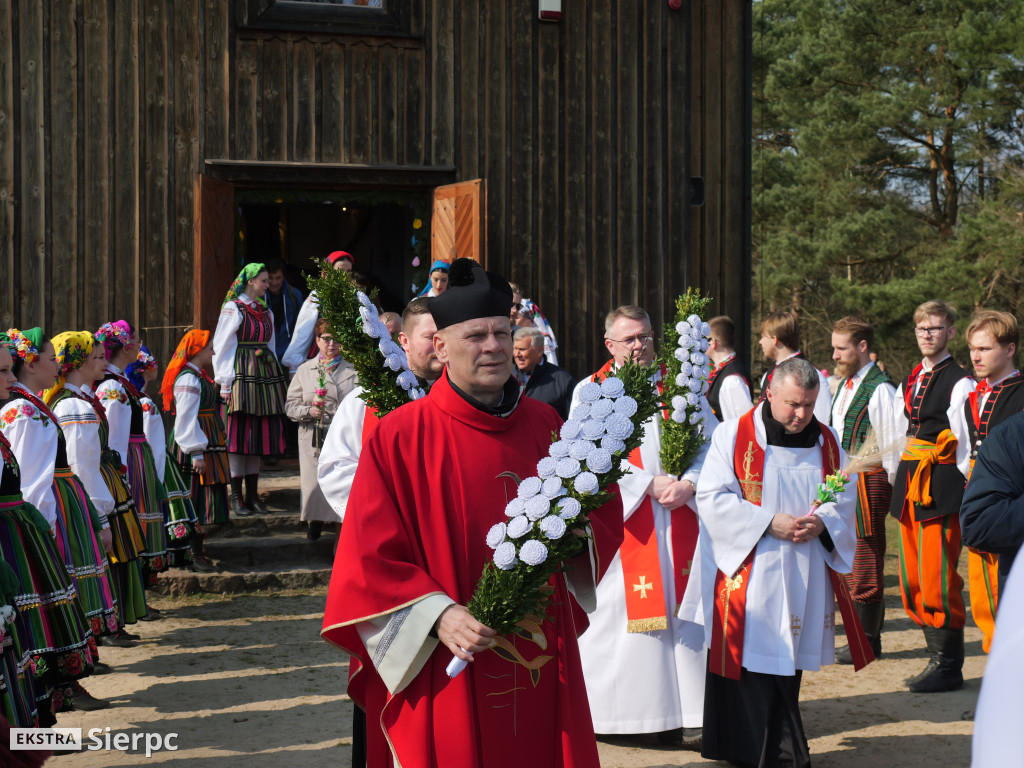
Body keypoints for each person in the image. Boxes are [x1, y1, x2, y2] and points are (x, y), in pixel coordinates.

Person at [321, 258, 623, 768]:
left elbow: (601, 504)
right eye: (476, 336)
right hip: (446, 654)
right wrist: (437, 614)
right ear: (440, 347)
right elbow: (367, 558)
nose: (494, 347)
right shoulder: (401, 436)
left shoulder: (547, 425)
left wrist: (579, 533)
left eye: (502, 333)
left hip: (539, 653)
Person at [694, 357, 858, 768]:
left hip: (804, 568)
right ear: (769, 393)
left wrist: (823, 521)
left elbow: (845, 495)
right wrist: (768, 522)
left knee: (787, 659)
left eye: (809, 404)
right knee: (752, 657)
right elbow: (712, 497)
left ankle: (761, 749)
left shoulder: (827, 441)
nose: (802, 414)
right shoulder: (735, 435)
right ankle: (778, 752)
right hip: (751, 567)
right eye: (792, 404)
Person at [571, 305, 713, 747]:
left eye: (646, 336)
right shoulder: (591, 391)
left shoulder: (683, 384)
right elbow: (586, 454)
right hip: (626, 521)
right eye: (630, 338)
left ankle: (690, 713)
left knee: (683, 613)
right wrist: (646, 483)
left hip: (681, 515)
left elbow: (712, 442)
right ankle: (626, 716)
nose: (640, 345)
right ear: (609, 344)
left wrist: (691, 482)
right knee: (623, 616)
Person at [317, 296, 441, 767]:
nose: (440, 346)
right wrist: (392, 514)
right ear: (403, 341)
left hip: (447, 561)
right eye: (430, 337)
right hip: (388, 561)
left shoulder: (465, 397)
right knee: (389, 676)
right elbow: (336, 470)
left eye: (445, 336)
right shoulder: (365, 398)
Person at [0, 328, 109, 713]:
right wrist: (42, 527)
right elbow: (31, 480)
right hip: (21, 526)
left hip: (26, 521)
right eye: (51, 358)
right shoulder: (23, 410)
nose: (57, 365)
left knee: (46, 610)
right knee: (37, 613)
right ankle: (52, 694)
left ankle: (56, 693)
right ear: (31, 364)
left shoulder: (30, 405)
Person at [890, 299, 975, 693]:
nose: (927, 334)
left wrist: (963, 488)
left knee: (937, 575)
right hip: (911, 482)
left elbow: (965, 444)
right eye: (922, 328)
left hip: (940, 485)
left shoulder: (960, 381)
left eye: (936, 328)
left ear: (951, 332)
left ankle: (948, 666)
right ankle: (936, 658)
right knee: (912, 577)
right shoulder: (912, 377)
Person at [45, 330, 148, 646]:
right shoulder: (74, 407)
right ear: (79, 363)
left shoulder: (78, 400)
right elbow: (80, 465)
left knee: (105, 558)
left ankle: (108, 624)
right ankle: (101, 629)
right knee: (97, 557)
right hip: (90, 489)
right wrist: (98, 513)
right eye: (98, 357)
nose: (105, 362)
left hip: (98, 483)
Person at [949, 310, 1024, 656]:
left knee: (1005, 593)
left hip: (1010, 505)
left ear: (1009, 349)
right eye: (972, 349)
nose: (975, 357)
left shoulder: (1020, 394)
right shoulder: (973, 396)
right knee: (982, 595)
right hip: (981, 499)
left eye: (985, 348)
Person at [829, 316, 897, 661]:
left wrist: (889, 492)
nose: (835, 355)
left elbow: (892, 447)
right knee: (848, 558)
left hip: (871, 481)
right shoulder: (845, 385)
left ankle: (868, 642)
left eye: (841, 348)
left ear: (863, 347)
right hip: (845, 480)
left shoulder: (881, 389)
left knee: (866, 557)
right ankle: (862, 638)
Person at [94, 321, 168, 591]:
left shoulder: (120, 383)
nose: (139, 345)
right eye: (136, 341)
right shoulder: (112, 388)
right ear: (126, 346)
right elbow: (113, 439)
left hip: (136, 458)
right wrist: (121, 474)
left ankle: (140, 589)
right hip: (129, 462)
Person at [213, 263, 288, 516]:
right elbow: (222, 346)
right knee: (239, 434)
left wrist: (274, 371)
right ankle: (237, 497)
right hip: (241, 374)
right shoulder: (233, 308)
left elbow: (271, 344)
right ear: (250, 281)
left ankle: (253, 496)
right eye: (264, 281)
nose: (268, 285)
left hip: (264, 373)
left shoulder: (265, 310)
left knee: (258, 435)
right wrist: (225, 382)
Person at [161, 330, 228, 573]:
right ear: (197, 351)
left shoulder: (198, 375)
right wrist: (196, 452)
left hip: (205, 440)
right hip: (192, 445)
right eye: (209, 348)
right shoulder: (188, 380)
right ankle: (191, 553)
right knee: (193, 496)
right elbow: (186, 419)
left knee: (202, 497)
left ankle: (197, 551)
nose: (213, 352)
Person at [285, 318, 358, 532]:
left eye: (335, 339)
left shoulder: (354, 370)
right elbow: (290, 406)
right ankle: (315, 520)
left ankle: (339, 524)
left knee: (341, 479)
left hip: (343, 435)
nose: (331, 344)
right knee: (314, 482)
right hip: (314, 434)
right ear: (317, 340)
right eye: (326, 339)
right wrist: (309, 411)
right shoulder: (305, 370)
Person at [282, 250, 354, 372]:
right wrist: (294, 365)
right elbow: (303, 331)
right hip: (325, 353)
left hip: (350, 357)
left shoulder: (354, 297)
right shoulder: (318, 296)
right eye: (340, 271)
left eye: (348, 272)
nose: (344, 276)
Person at [757, 311, 831, 422]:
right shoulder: (768, 374)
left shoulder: (813, 375)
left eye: (763, 336)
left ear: (775, 339)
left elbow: (822, 420)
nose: (760, 341)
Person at [512, 327, 574, 419]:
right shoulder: (506, 377)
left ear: (539, 350)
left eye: (522, 349)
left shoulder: (563, 381)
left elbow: (572, 421)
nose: (516, 354)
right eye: (515, 349)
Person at [705, 315, 753, 422]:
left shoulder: (731, 380)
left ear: (712, 343)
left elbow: (741, 423)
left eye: (704, 340)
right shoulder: (724, 370)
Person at [264, 259, 304, 361]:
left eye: (278, 278)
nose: (274, 282)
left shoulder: (294, 295)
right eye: (270, 278)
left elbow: (301, 323)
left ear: (284, 277)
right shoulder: (259, 295)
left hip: (288, 352)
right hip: (265, 353)